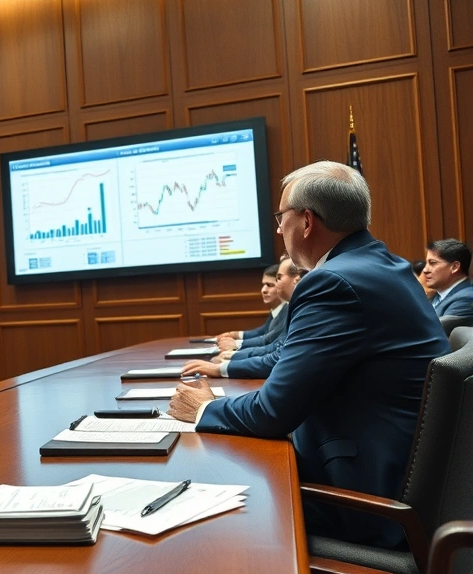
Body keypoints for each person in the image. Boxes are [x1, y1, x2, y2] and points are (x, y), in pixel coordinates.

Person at [169, 161, 449, 549]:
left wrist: (204, 408)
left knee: (203, 523)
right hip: (388, 475)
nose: (277, 228)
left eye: (280, 217)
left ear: (306, 221)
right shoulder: (383, 264)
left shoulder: (333, 281)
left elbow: (274, 411)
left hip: (364, 503)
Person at [183, 260, 304, 379]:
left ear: (296, 279)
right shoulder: (294, 308)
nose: (264, 290)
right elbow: (271, 345)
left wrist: (226, 363)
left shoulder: (299, 310)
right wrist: (233, 346)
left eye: (278, 278)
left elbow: (273, 352)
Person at [422, 239, 473, 318]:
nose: (425, 270)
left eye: (433, 263)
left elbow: (433, 329)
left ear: (455, 267)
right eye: (426, 263)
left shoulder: (466, 297)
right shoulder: (434, 295)